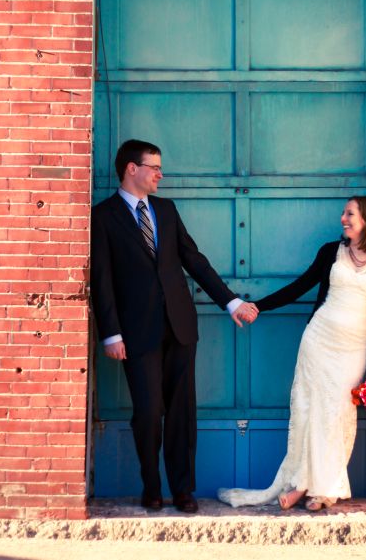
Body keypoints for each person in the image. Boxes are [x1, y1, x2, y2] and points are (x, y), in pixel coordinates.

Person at [90, 139, 258, 514]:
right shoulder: (103, 217)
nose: (160, 175)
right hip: (135, 332)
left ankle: (184, 490)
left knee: (183, 412)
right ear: (131, 168)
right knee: (148, 412)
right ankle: (152, 485)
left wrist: (231, 301)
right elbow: (101, 280)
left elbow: (193, 260)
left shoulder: (165, 210)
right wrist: (111, 333)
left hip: (181, 325)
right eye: (154, 167)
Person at [218, 196, 366, 512]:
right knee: (310, 413)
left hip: (353, 347)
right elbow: (300, 286)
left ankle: (320, 487)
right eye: (343, 212)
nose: (342, 217)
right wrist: (260, 305)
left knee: (338, 413)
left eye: (350, 213)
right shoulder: (331, 252)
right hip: (318, 340)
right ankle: (306, 486)